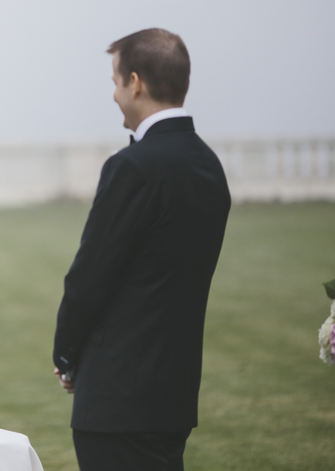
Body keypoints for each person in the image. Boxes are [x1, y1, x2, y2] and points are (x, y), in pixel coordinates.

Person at [52, 29, 231, 471]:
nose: (113, 95)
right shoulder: (209, 167)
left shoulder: (132, 167)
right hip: (175, 393)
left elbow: (89, 277)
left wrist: (66, 356)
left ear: (136, 82)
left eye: (115, 82)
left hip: (118, 399)